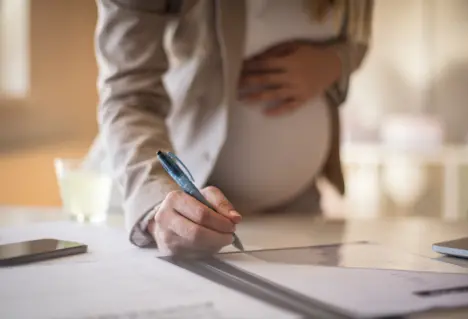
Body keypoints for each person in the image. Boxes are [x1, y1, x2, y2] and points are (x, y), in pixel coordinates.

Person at [88, 0, 373, 255]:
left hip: (296, 209)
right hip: (167, 208)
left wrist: (334, 62)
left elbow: (359, 38)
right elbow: (129, 95)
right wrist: (155, 200)